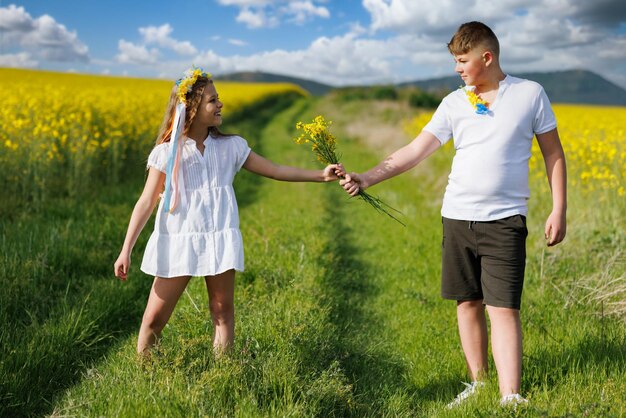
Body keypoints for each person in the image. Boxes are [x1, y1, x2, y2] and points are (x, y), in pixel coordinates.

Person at [339, 21, 566, 407]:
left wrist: (559, 207)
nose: (457, 68)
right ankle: (478, 384)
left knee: (504, 308)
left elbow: (553, 154)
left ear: (487, 57)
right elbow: (414, 151)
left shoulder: (530, 94)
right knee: (467, 302)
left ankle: (511, 396)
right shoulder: (454, 102)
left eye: (462, 61)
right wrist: (367, 178)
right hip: (457, 217)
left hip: (505, 220)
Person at [114, 67, 342, 356]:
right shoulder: (167, 153)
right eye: (212, 100)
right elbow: (146, 202)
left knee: (222, 311)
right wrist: (126, 249)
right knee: (154, 319)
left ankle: (225, 372)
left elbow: (275, 170)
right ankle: (144, 374)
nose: (220, 104)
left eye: (218, 98)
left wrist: (321, 175)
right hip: (178, 239)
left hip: (218, 236)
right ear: (191, 108)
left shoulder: (231, 147)